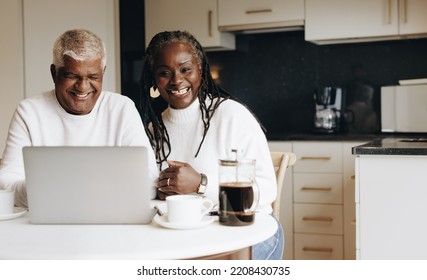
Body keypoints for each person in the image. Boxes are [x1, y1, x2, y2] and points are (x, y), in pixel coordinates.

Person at [139, 30, 283, 260]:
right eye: (165, 73)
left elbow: (266, 190)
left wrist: (200, 185)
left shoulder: (231, 115)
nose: (177, 80)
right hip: (189, 237)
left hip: (248, 233)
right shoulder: (153, 130)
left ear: (201, 72)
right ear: (154, 80)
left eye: (186, 69)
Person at [0, 29, 158, 208]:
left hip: (109, 220)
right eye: (72, 76)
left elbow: (150, 178)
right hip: (48, 222)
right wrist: (44, 188)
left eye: (93, 77)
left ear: (103, 73)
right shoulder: (28, 112)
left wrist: (70, 188)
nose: (82, 87)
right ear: (54, 73)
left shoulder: (121, 108)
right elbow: (6, 184)